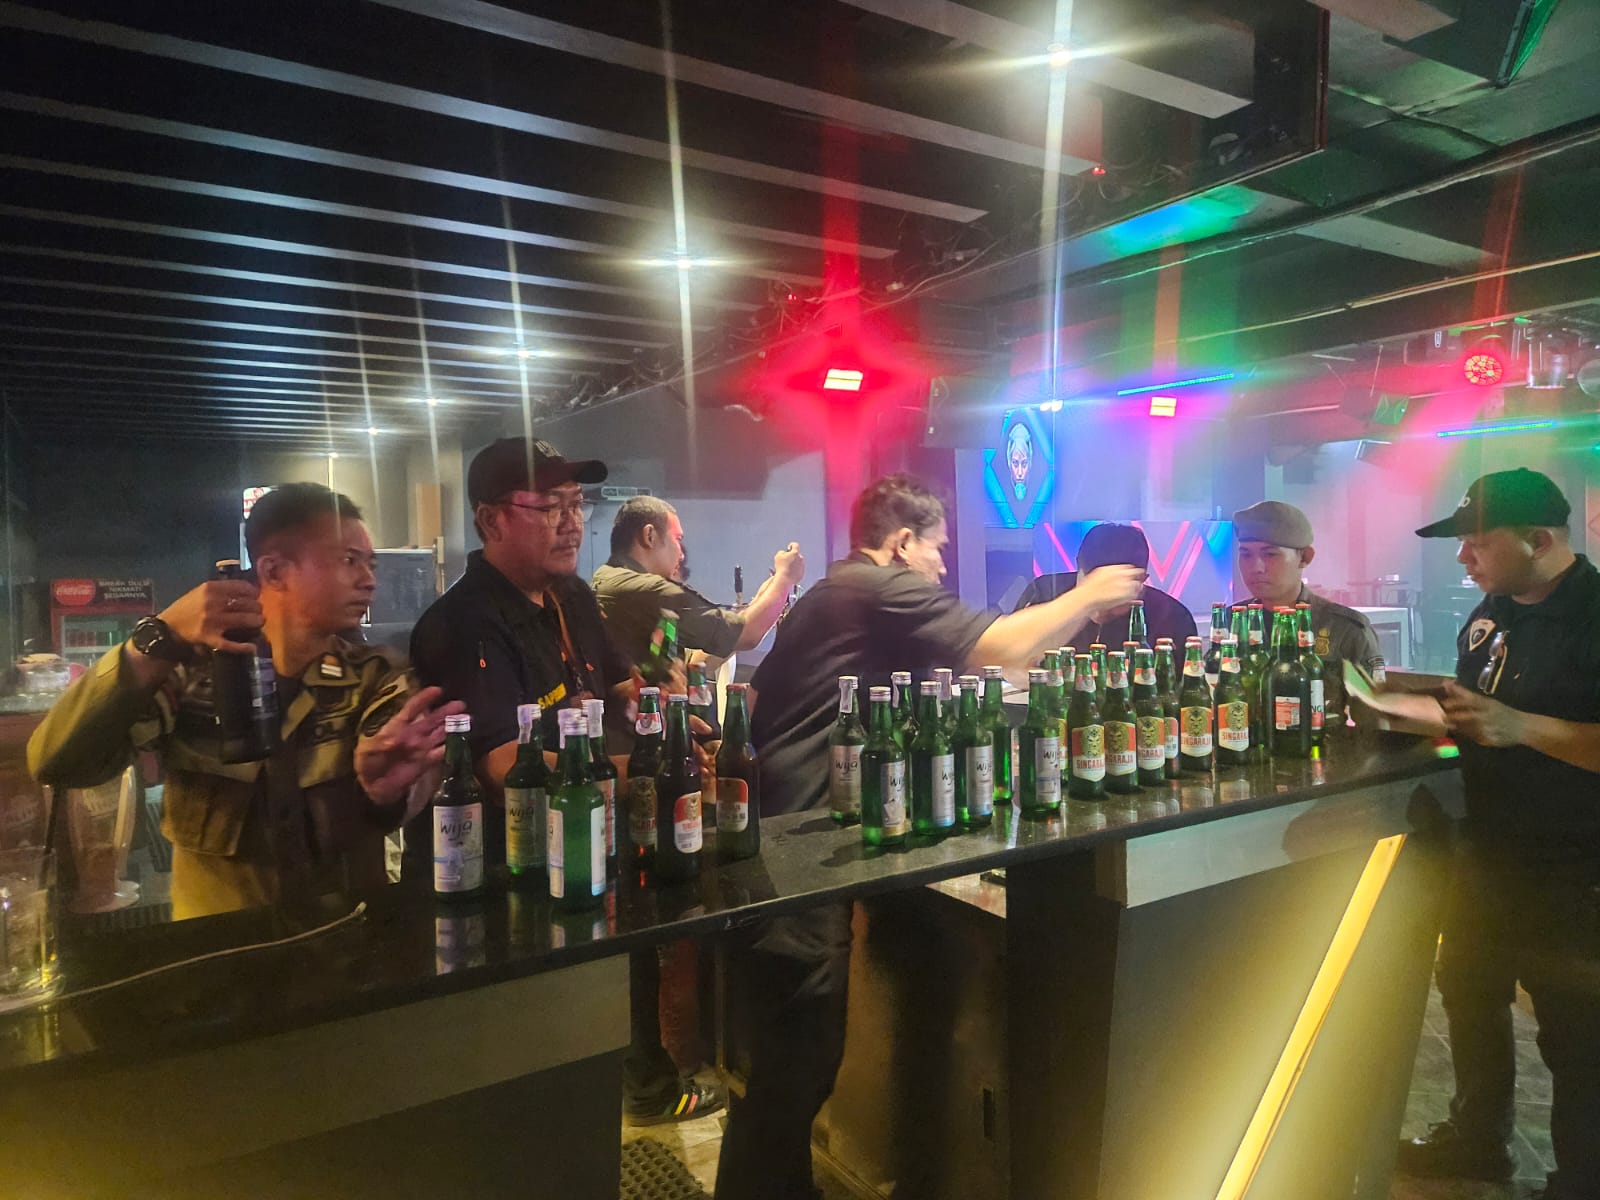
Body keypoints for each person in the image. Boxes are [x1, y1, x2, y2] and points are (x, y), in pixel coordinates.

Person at [715, 474, 1143, 1200]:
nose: (943, 566)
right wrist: (1087, 595)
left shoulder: (829, 592)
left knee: (794, 1059)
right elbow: (1000, 649)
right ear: (903, 541)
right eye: (938, 548)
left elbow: (755, 700)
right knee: (796, 1063)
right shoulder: (881, 587)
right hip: (803, 847)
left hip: (786, 833)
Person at [406, 437, 718, 1127]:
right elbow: (498, 768)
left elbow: (620, 685)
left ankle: (645, 1088)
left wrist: (661, 713)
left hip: (585, 840)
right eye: (549, 506)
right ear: (491, 520)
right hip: (503, 870)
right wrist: (646, 771)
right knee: (532, 1062)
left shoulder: (570, 596)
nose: (572, 522)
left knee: (619, 966)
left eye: (577, 504)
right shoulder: (463, 625)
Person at [28, 483, 460, 920]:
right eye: (349, 560)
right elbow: (59, 764)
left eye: (370, 563)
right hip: (220, 944)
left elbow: (411, 776)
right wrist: (158, 638)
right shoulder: (193, 675)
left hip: (347, 935)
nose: (369, 579)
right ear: (274, 571)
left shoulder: (375, 677)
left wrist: (383, 796)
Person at [1396, 469, 1600, 1200]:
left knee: (1576, 1037)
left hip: (1573, 865)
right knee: (1469, 993)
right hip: (1486, 850)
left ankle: (1581, 1179)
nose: (1463, 558)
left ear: (1538, 541)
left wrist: (1522, 727)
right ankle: (1478, 1141)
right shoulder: (1491, 613)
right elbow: (1481, 716)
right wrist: (1418, 712)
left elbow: (1518, 725)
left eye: (1478, 544)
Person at [593, 495, 805, 675]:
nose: (681, 554)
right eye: (677, 539)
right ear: (650, 536)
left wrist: (768, 594)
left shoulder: (608, 578)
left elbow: (691, 666)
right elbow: (747, 634)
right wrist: (785, 577)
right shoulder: (648, 591)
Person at [1232, 499, 1386, 724]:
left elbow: (1374, 721)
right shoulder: (1232, 624)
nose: (1255, 567)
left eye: (1270, 555)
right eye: (1246, 554)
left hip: (1323, 744)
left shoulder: (1345, 630)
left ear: (1305, 557)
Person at [1013, 521, 1198, 647]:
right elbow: (1007, 662)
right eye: (1092, 591)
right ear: (1077, 566)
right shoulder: (1044, 593)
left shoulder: (1171, 617)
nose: (1099, 610)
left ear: (1141, 581)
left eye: (1113, 598)